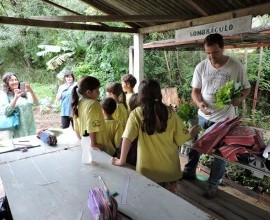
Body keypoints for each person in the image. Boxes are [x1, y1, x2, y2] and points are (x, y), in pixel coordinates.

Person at [182, 33, 251, 198]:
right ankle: (189, 171)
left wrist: (239, 98)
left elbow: (246, 88)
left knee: (220, 153)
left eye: (215, 52)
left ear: (223, 48)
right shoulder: (202, 66)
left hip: (224, 119)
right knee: (196, 145)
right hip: (203, 116)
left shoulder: (236, 66)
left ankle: (213, 184)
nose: (211, 57)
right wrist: (200, 104)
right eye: (208, 53)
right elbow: (195, 91)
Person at [111, 79, 199, 188]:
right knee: (169, 203)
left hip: (147, 170)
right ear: (159, 93)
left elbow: (127, 138)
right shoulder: (170, 113)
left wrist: (121, 160)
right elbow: (181, 139)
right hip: (170, 170)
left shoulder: (137, 113)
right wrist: (191, 132)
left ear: (141, 95)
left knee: (150, 202)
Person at [71, 76, 116, 156]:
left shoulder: (79, 102)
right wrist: (93, 143)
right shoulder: (94, 104)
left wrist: (83, 141)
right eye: (97, 91)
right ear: (88, 92)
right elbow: (92, 126)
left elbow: (76, 127)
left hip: (86, 145)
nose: (99, 93)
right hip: (100, 146)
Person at [0, 72, 39, 138]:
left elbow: (36, 103)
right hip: (18, 130)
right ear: (7, 83)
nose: (15, 82)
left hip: (30, 128)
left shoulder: (24, 93)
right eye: (12, 80)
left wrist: (31, 91)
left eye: (16, 79)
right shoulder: (4, 95)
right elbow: (6, 112)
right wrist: (15, 97)